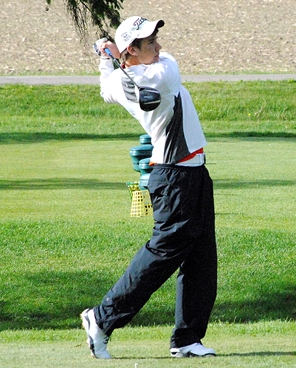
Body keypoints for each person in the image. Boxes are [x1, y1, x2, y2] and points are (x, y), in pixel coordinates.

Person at [80, 16, 218, 359]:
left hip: (192, 173)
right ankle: (101, 317)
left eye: (156, 40)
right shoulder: (161, 73)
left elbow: (106, 88)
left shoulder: (122, 78)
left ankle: (187, 338)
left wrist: (105, 57)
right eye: (150, 43)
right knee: (163, 253)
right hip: (175, 177)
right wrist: (114, 57)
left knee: (202, 258)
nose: (158, 47)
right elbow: (171, 67)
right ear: (133, 51)